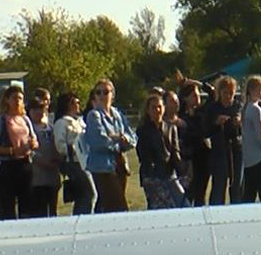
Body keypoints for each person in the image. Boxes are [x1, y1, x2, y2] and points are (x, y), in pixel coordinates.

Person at [84, 78, 136, 213]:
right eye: (98, 92)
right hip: (102, 167)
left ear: (112, 95)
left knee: (107, 206)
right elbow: (98, 141)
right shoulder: (93, 116)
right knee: (118, 206)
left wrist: (123, 139)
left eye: (106, 92)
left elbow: (132, 137)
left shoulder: (118, 115)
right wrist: (119, 141)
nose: (102, 95)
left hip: (119, 165)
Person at [0, 85, 37, 220]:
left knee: (27, 202)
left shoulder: (25, 119)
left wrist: (33, 144)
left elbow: (34, 138)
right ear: (7, 100)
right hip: (8, 166)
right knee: (8, 204)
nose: (18, 101)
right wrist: (11, 151)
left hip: (25, 163)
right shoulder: (0, 121)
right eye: (14, 98)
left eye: (20, 98)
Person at [136, 93, 187, 209]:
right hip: (152, 176)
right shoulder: (143, 131)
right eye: (153, 107)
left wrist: (182, 171)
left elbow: (175, 153)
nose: (157, 110)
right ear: (148, 111)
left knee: (183, 203)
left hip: (169, 174)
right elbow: (144, 156)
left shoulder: (171, 128)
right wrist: (153, 175)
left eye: (159, 107)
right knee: (160, 206)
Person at [53, 92, 95, 215]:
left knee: (84, 194)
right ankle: (82, 217)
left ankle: (83, 215)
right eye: (74, 103)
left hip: (85, 161)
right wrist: (74, 148)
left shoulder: (80, 121)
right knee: (89, 193)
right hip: (73, 162)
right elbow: (59, 145)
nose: (77, 105)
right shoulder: (61, 122)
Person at [206, 75, 243, 205]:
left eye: (231, 93)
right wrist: (216, 123)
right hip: (219, 149)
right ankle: (216, 209)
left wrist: (239, 122)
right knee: (219, 184)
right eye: (225, 92)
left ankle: (236, 209)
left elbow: (244, 128)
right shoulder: (212, 108)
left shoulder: (238, 106)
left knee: (237, 184)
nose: (228, 96)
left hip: (236, 148)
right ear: (219, 92)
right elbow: (206, 130)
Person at [178, 79, 211, 205]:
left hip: (203, 155)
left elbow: (213, 93)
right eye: (193, 95)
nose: (197, 97)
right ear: (185, 98)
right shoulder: (181, 115)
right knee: (189, 191)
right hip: (189, 157)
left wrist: (196, 83)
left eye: (198, 94)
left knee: (201, 192)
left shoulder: (202, 111)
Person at [28, 99, 60, 217]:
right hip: (37, 176)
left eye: (42, 109)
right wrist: (41, 161)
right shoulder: (29, 128)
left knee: (52, 209)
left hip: (53, 175)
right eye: (36, 109)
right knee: (40, 210)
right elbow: (29, 151)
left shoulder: (50, 128)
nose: (39, 112)